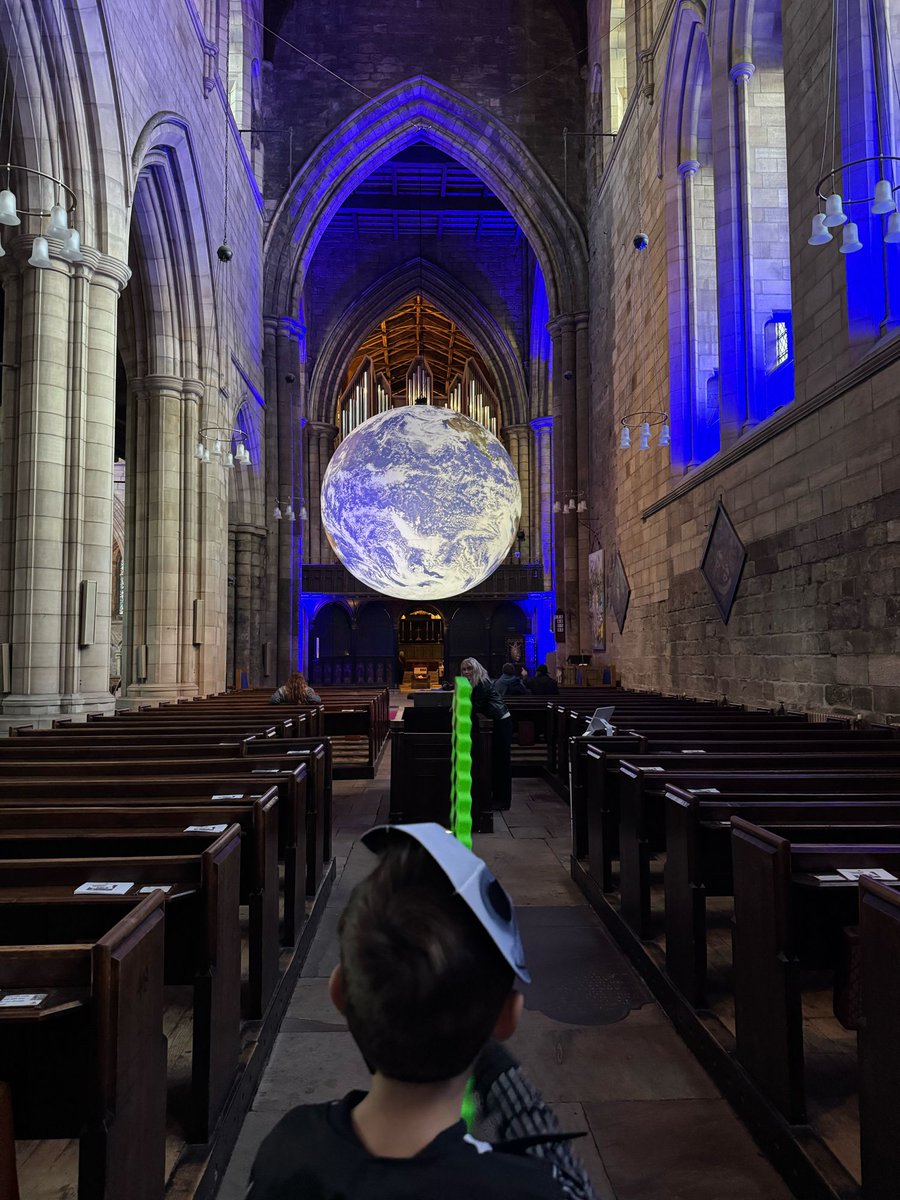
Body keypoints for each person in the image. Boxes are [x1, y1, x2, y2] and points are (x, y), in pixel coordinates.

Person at [245, 823, 597, 1200]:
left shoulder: (288, 1147)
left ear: (339, 992)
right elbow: (573, 1184)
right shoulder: (530, 1189)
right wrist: (487, 1053)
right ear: (507, 1019)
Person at [461, 657, 514, 811]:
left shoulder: (482, 684)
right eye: (463, 669)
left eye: (469, 669)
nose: (466, 672)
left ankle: (503, 800)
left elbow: (474, 707)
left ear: (476, 669)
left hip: (501, 723)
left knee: (502, 762)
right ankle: (496, 796)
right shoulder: (477, 684)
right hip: (494, 723)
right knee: (496, 761)